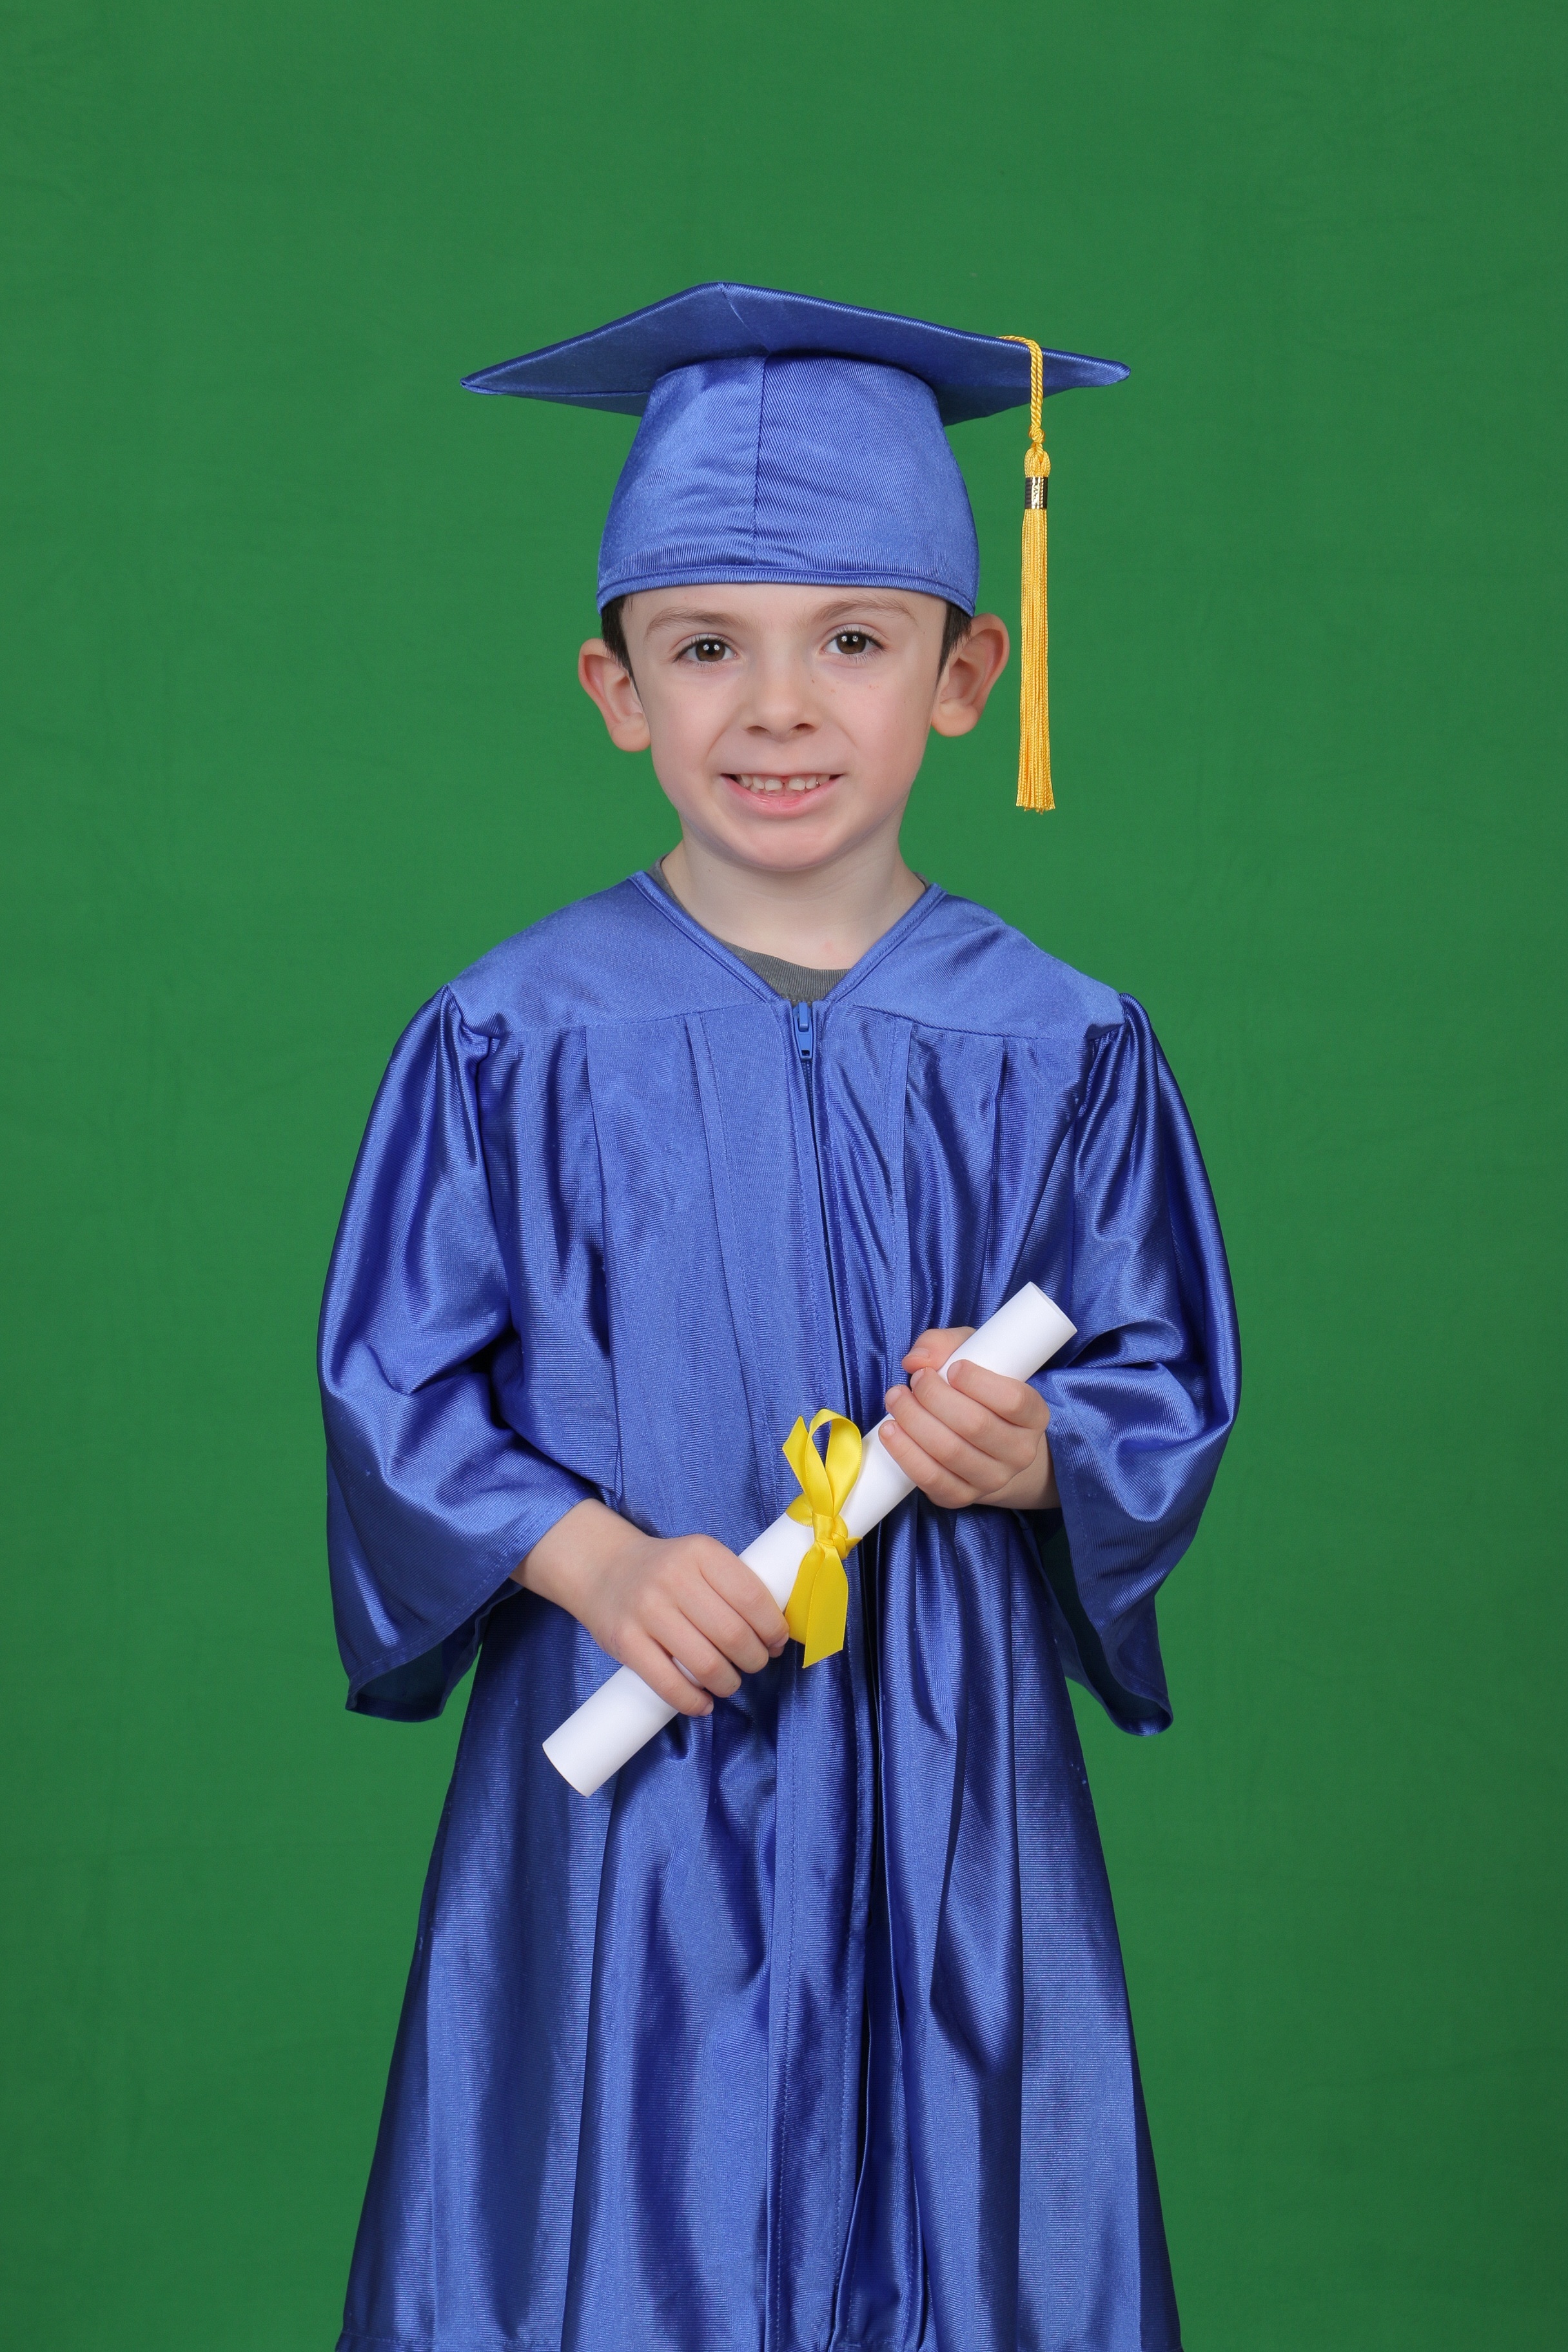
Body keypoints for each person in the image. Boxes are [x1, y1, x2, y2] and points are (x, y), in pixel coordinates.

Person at [320, 282, 1240, 2352]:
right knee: (603, 2232)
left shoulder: (1065, 1046)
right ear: (615, 688)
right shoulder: (510, 1037)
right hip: (638, 1779)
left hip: (950, 1785)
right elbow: (395, 1385)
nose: (779, 708)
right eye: (706, 645)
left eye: (854, 640)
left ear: (967, 672)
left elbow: (1162, 1374)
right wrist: (593, 1559)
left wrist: (1046, 1452)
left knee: (963, 2235)